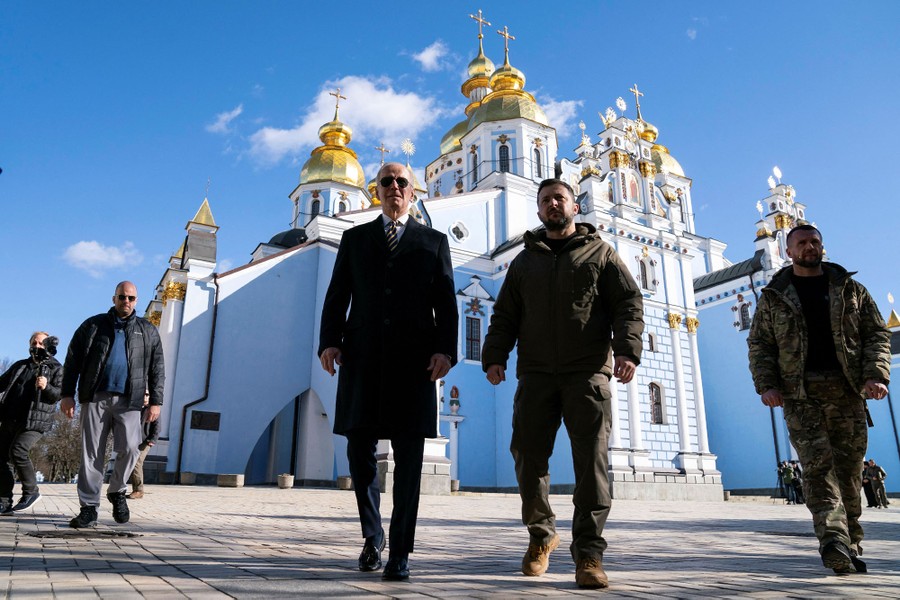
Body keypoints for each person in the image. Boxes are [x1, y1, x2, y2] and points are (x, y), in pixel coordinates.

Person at [482, 178, 644, 589]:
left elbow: (627, 302)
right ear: (539, 211)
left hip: (586, 372)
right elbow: (505, 315)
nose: (553, 204)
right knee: (527, 454)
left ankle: (589, 554)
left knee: (591, 463)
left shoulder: (600, 253)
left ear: (575, 207)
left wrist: (626, 350)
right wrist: (495, 356)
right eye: (545, 200)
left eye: (560, 198)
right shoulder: (524, 262)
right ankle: (542, 535)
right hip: (536, 373)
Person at [318, 162, 458, 581]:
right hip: (361, 359)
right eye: (386, 182)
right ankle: (372, 535)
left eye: (402, 182)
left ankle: (400, 551)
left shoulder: (433, 241)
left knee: (410, 461)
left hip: (414, 365)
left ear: (413, 192)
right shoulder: (355, 239)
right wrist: (329, 342)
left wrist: (445, 351)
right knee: (359, 453)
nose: (394, 187)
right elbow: (337, 294)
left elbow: (446, 303)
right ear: (376, 190)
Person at [748, 224, 890, 574]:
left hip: (847, 393)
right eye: (801, 243)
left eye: (814, 242)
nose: (809, 247)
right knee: (817, 470)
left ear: (822, 246)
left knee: (849, 472)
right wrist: (767, 384)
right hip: (801, 396)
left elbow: (876, 333)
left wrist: (875, 374)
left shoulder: (850, 289)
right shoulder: (774, 296)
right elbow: (760, 344)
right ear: (788, 251)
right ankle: (833, 541)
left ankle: (850, 542)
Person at [60, 281, 165, 528]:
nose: (126, 301)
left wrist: (156, 401)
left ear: (136, 301)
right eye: (122, 297)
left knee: (131, 448)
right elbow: (73, 360)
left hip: (130, 400)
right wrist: (67, 394)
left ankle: (117, 490)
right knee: (91, 455)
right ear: (114, 298)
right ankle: (89, 508)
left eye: (131, 298)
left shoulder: (147, 330)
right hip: (95, 397)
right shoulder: (93, 326)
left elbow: (157, 368)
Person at [0, 332, 63, 515]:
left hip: (35, 421)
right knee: (1, 458)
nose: (37, 346)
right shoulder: (20, 365)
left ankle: (31, 492)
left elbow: (58, 395)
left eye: (41, 343)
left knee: (18, 451)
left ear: (48, 345)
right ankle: (4, 502)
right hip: (10, 418)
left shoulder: (56, 368)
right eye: (34, 343)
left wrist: (46, 386)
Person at [127, 391, 159, 499]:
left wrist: (152, 440)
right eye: (144, 394)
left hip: (146, 441)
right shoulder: (136, 408)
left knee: (137, 463)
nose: (145, 397)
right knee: (130, 462)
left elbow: (157, 426)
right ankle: (131, 489)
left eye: (147, 395)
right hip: (134, 440)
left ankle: (139, 491)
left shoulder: (153, 410)